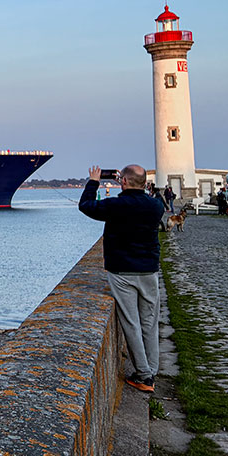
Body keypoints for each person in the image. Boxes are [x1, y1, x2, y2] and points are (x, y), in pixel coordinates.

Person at [79, 164, 164, 393]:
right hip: (148, 270)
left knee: (131, 323)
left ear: (123, 181)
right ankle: (151, 369)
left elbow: (86, 206)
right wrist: (136, 186)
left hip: (122, 271)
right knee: (149, 322)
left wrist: (94, 181)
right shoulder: (156, 206)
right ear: (145, 184)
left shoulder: (116, 205)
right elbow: (149, 199)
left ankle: (144, 376)